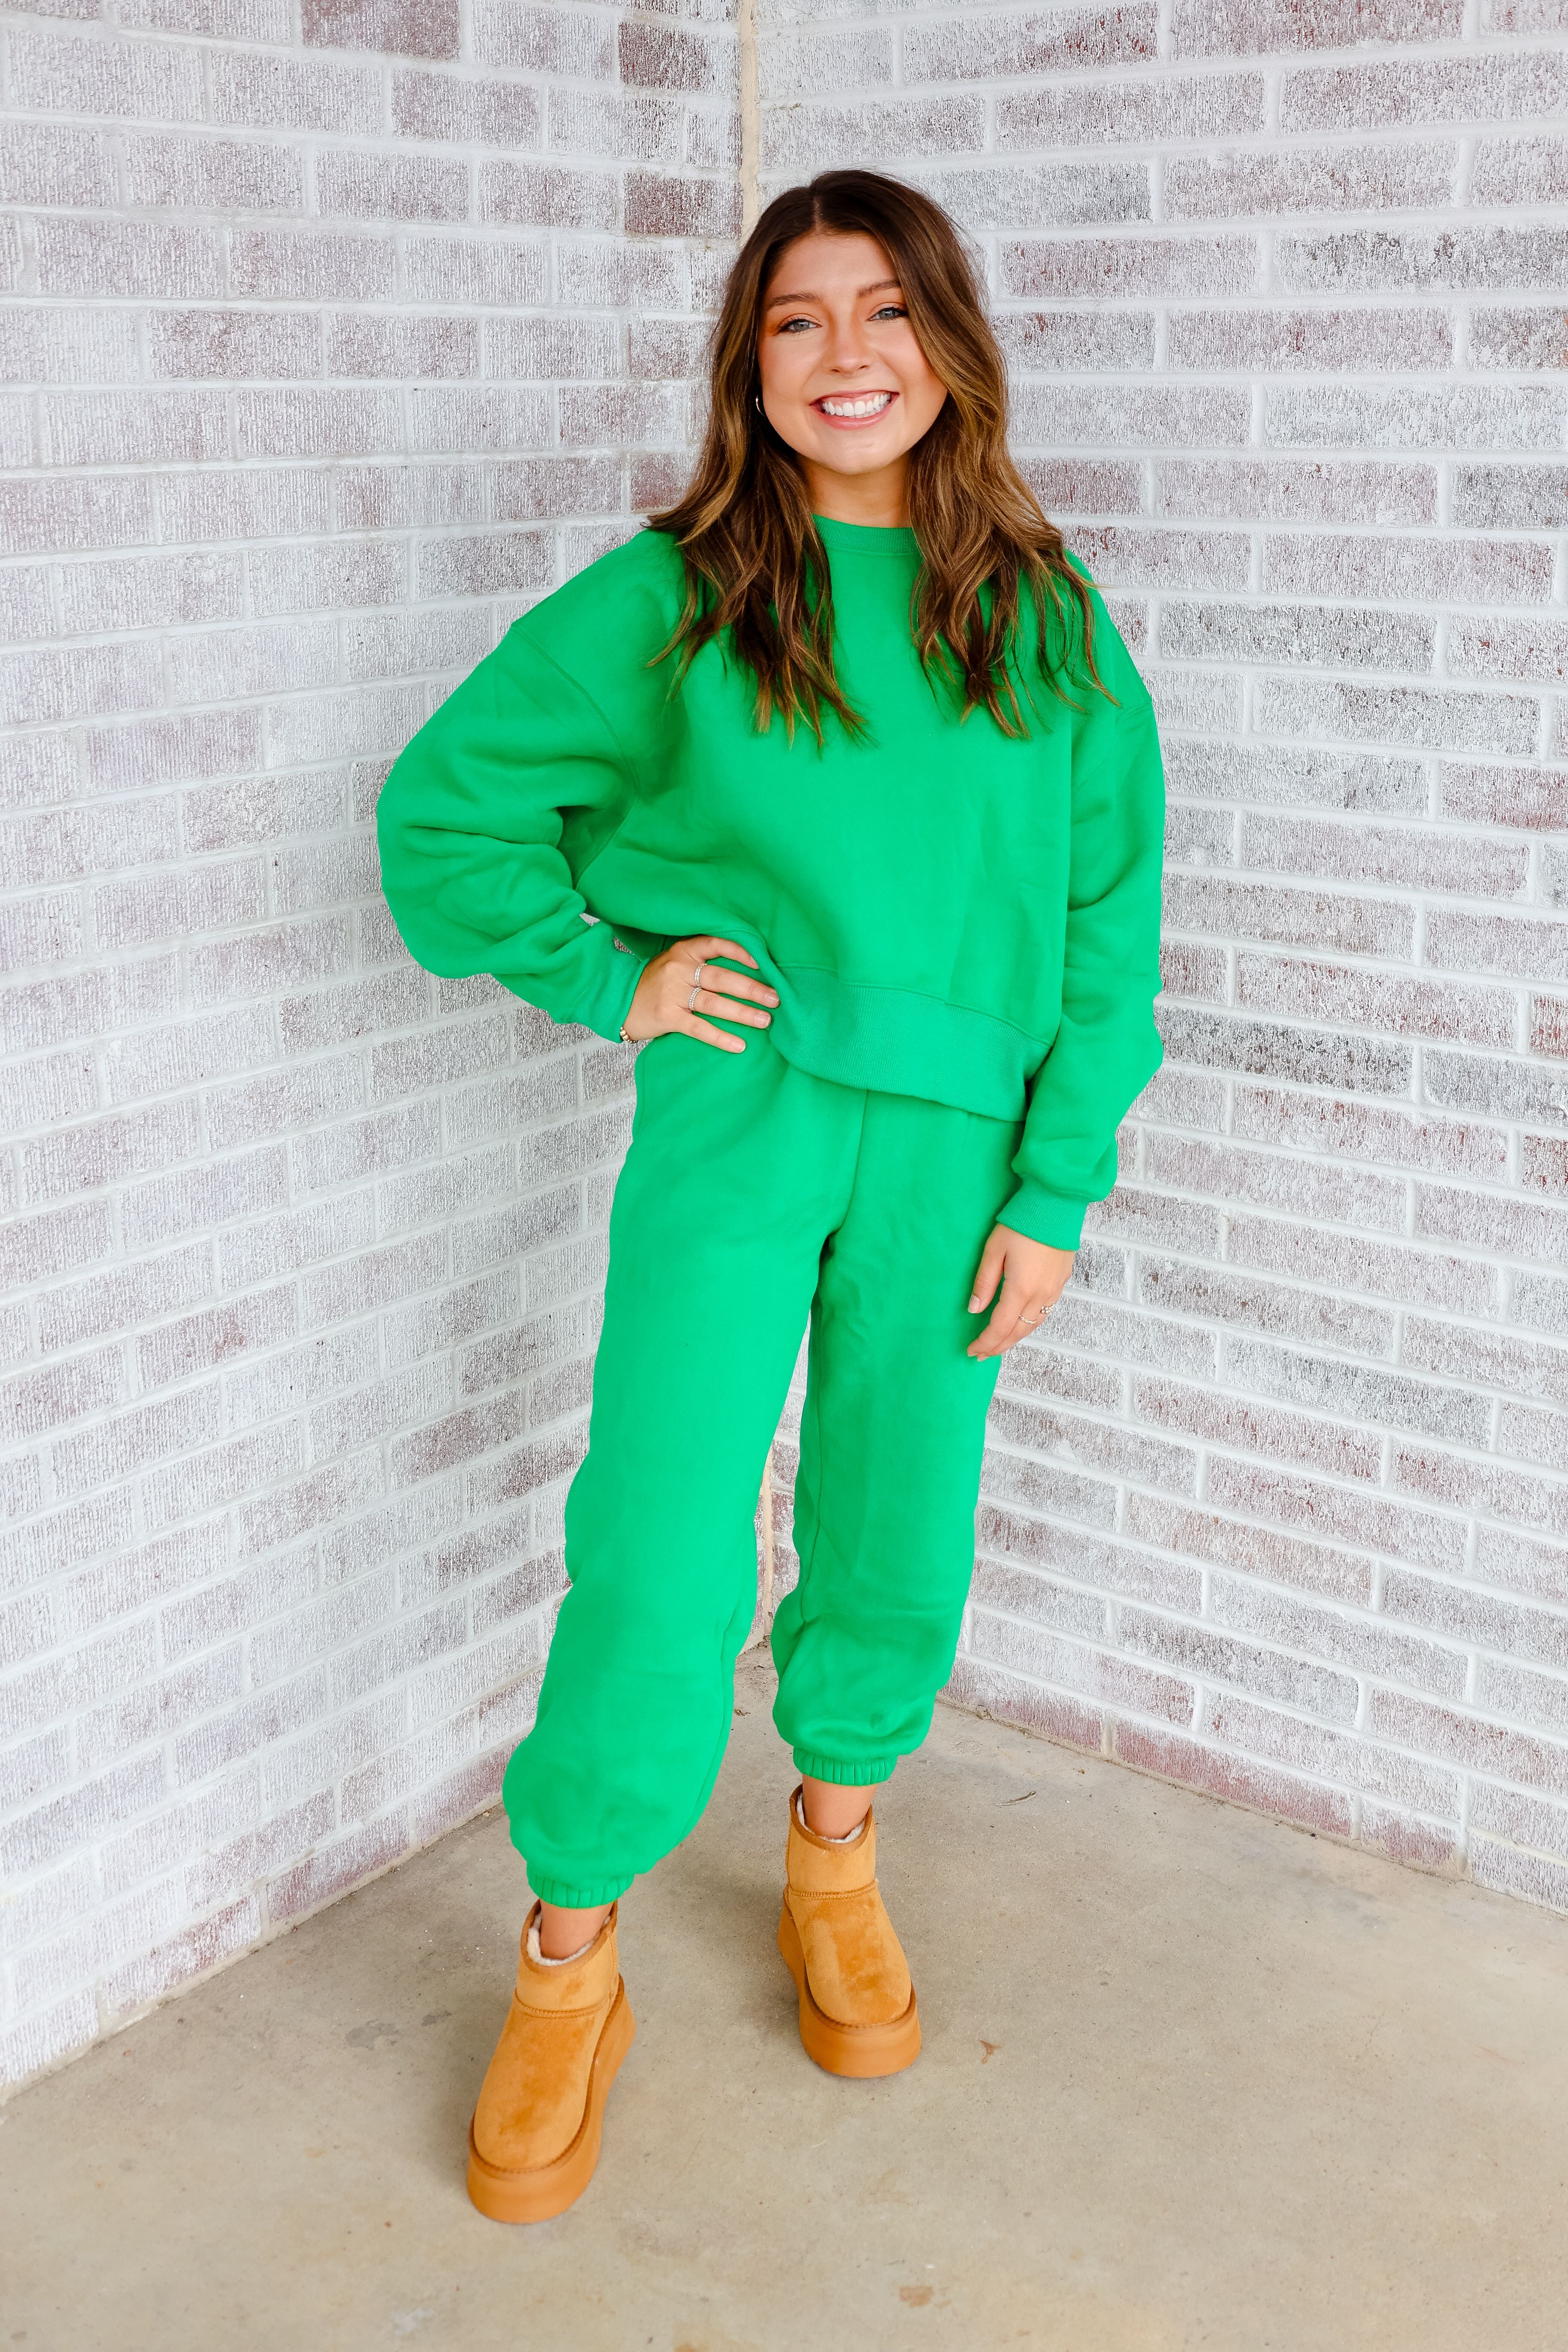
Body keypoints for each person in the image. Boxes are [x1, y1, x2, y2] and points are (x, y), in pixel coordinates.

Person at [376, 167, 1165, 2223]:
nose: (845, 355)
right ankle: (571, 1950)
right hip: (740, 1118)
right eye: (798, 319)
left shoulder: (1048, 619)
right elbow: (443, 812)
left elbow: (1110, 933)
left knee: (897, 1521)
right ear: (749, 364)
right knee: (658, 1538)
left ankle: (835, 1852)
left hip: (959, 1156)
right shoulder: (679, 596)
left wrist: (1057, 1187)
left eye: (886, 311)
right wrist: (611, 978)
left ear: (950, 345)